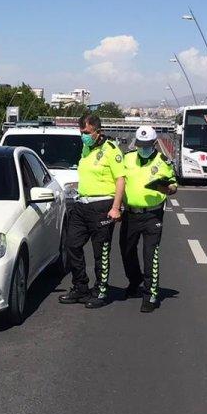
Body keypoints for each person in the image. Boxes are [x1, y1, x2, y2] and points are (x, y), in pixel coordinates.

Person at [59, 113, 125, 309]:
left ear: (98, 131)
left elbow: (120, 179)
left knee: (101, 252)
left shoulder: (111, 150)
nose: (83, 136)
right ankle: (80, 286)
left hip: (102, 205)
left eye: (87, 132)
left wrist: (116, 207)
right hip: (82, 204)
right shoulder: (86, 148)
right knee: (72, 244)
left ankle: (100, 290)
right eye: (81, 132)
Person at [120, 125, 177, 312]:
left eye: (146, 145)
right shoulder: (127, 159)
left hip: (153, 214)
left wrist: (166, 188)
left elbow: (173, 187)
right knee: (127, 251)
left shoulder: (163, 162)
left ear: (154, 144)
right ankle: (134, 281)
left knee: (149, 254)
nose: (143, 149)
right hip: (130, 213)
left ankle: (150, 294)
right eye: (140, 145)